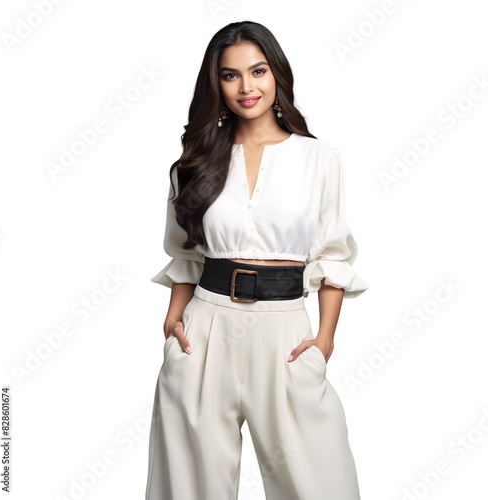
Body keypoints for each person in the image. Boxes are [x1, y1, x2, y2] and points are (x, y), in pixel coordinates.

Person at [145, 20, 370, 500]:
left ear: (277, 75)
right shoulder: (194, 163)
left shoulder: (319, 159)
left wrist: (323, 342)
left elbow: (333, 256)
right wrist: (173, 324)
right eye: (230, 75)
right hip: (204, 333)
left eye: (258, 71)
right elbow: (184, 253)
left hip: (284, 331)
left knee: (317, 482)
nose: (247, 87)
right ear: (217, 84)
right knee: (190, 488)